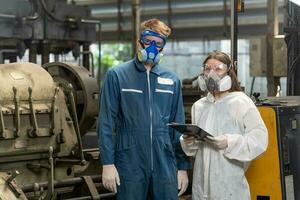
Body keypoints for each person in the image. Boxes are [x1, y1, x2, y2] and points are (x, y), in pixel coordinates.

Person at [98, 18, 191, 200]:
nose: (152, 48)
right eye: (148, 42)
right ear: (139, 41)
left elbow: (178, 127)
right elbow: (106, 122)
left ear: (163, 47)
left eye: (158, 43)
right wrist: (107, 163)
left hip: (164, 159)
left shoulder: (172, 80)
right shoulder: (117, 75)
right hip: (129, 158)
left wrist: (182, 167)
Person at [180, 50, 268, 200]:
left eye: (218, 69)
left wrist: (229, 142)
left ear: (229, 73)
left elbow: (259, 140)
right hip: (201, 188)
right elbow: (195, 151)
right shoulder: (199, 106)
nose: (211, 74)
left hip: (230, 187)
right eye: (207, 69)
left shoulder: (240, 102)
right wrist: (188, 141)